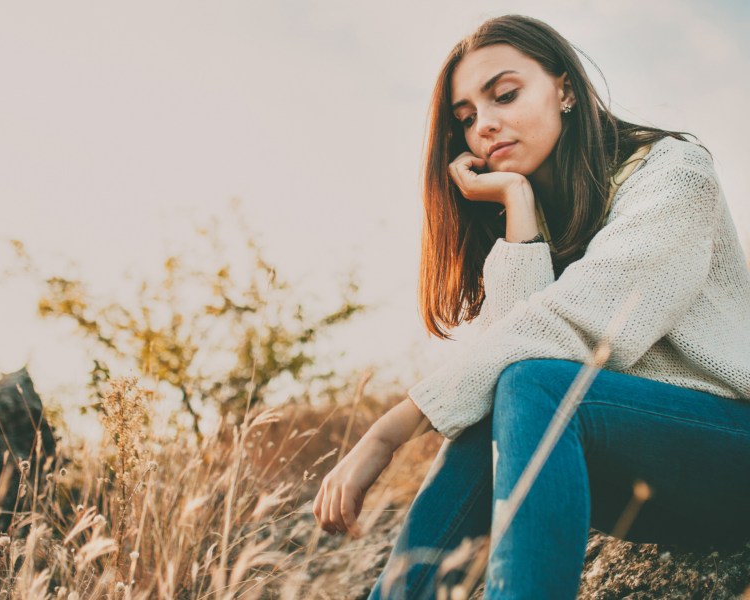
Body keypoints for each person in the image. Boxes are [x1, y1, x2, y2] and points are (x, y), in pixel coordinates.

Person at [312, 14, 750, 600]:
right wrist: (517, 205)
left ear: (565, 89)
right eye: (466, 119)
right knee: (509, 392)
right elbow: (502, 374)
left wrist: (390, 432)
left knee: (535, 383)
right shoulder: (542, 216)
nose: (485, 126)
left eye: (505, 95)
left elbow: (583, 326)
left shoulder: (675, 175)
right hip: (646, 474)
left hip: (728, 449)